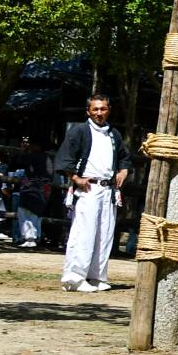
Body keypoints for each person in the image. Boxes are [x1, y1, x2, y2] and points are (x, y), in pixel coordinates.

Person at [57, 94, 131, 292]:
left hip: (108, 189)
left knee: (104, 233)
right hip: (88, 188)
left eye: (103, 109)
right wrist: (75, 179)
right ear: (88, 111)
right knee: (84, 233)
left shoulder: (113, 134)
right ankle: (74, 278)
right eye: (95, 109)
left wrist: (123, 171)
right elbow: (66, 158)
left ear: (109, 110)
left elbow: (124, 157)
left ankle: (97, 276)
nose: (99, 113)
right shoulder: (79, 131)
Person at [11, 136, 48, 249]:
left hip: (31, 187)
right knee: (36, 213)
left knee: (25, 211)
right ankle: (35, 237)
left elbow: (19, 162)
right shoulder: (47, 157)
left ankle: (30, 237)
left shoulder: (31, 156)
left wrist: (24, 152)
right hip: (42, 188)